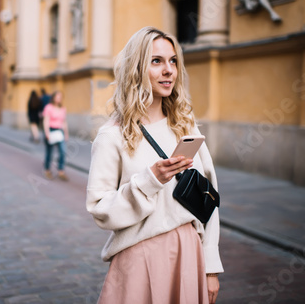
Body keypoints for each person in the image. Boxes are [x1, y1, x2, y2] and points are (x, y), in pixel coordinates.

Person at [86, 27, 223, 304]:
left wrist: (210, 266)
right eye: (157, 61)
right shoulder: (113, 135)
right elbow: (100, 209)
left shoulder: (185, 126)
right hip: (140, 254)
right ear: (137, 68)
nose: (169, 70)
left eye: (173, 61)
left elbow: (208, 198)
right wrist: (149, 181)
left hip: (189, 253)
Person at [42, 91, 69, 181]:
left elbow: (64, 122)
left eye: (60, 97)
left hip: (59, 131)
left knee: (62, 152)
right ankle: (47, 170)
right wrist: (47, 133)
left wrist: (66, 133)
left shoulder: (63, 109)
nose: (59, 99)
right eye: (57, 97)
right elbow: (46, 120)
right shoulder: (48, 107)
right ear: (53, 98)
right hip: (51, 130)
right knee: (49, 152)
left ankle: (61, 171)